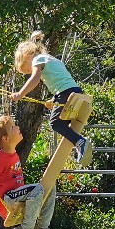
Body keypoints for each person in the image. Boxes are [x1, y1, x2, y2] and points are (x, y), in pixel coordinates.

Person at [11, 31, 93, 167]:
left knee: (55, 123)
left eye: (27, 70)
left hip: (66, 93)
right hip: (74, 91)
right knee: (63, 123)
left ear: (28, 57)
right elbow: (61, 80)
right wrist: (54, 100)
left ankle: (80, 142)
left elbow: (35, 79)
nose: (30, 72)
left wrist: (20, 94)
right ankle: (78, 143)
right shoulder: (50, 58)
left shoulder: (37, 60)